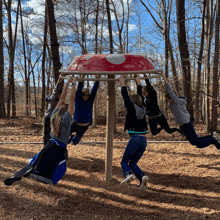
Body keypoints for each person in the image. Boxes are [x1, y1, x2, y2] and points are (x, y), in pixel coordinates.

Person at [4, 76, 76, 186]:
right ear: (67, 113)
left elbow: (63, 99)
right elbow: (71, 100)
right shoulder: (66, 120)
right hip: (58, 150)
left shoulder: (53, 115)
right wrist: (74, 84)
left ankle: (17, 174)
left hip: (49, 145)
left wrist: (69, 83)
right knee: (59, 170)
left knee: (35, 162)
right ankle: (40, 177)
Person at [161, 72, 220, 149]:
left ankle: (213, 140)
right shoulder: (173, 105)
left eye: (168, 100)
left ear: (171, 98)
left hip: (187, 125)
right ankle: (212, 136)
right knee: (193, 142)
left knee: (199, 144)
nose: (168, 101)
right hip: (183, 127)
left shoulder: (176, 101)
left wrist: (163, 76)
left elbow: (169, 90)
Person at [119, 75, 149, 190]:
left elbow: (125, 96)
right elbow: (140, 96)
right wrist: (138, 83)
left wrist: (123, 84)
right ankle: (142, 177)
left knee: (124, 162)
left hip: (135, 139)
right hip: (143, 140)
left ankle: (128, 175)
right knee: (133, 163)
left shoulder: (131, 108)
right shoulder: (143, 107)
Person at [69, 75, 100, 145]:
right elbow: (79, 90)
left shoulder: (90, 101)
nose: (85, 96)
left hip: (84, 126)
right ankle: (71, 137)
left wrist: (97, 80)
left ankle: (73, 138)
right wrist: (81, 80)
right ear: (81, 95)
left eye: (87, 95)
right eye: (84, 95)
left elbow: (94, 91)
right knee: (66, 140)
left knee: (75, 142)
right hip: (75, 124)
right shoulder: (78, 101)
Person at [43, 75, 64, 145]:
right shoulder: (53, 99)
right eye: (59, 94)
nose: (60, 96)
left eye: (61, 95)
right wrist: (59, 80)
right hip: (48, 118)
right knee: (47, 135)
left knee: (53, 135)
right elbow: (56, 90)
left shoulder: (59, 101)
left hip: (54, 119)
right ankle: (45, 149)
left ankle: (50, 148)